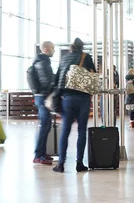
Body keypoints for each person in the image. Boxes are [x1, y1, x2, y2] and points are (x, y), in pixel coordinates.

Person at [53, 38, 96, 173]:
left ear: (71, 47)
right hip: (83, 98)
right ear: (82, 47)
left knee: (65, 130)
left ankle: (61, 163)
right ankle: (79, 163)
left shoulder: (65, 58)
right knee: (82, 130)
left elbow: (57, 78)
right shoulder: (86, 57)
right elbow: (93, 74)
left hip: (67, 98)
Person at [32, 41, 55, 166]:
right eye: (52, 48)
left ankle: (42, 153)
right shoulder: (43, 62)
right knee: (44, 127)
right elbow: (47, 81)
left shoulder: (41, 61)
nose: (54, 50)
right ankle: (38, 155)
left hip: (41, 97)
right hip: (43, 97)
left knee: (45, 126)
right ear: (46, 49)